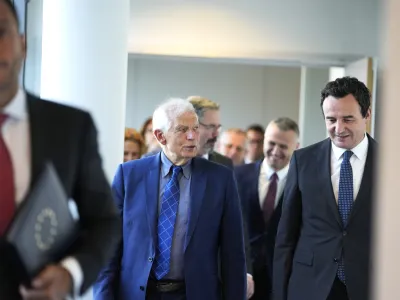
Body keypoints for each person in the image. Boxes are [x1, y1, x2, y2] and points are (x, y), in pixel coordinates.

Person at [0, 1, 121, 299]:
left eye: (0, 32)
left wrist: (71, 273)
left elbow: (104, 221)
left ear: (23, 44)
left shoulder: (69, 127)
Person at [94, 98, 246, 300]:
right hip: (137, 294)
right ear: (160, 135)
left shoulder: (220, 179)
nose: (192, 136)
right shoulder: (129, 175)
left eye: (195, 128)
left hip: (194, 294)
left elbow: (233, 254)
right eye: (182, 130)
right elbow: (109, 246)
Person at [273, 77, 377, 300]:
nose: (338, 129)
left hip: (369, 286)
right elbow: (286, 237)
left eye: (348, 119)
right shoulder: (303, 160)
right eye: (331, 119)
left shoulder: (391, 163)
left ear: (367, 114)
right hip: (310, 286)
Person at [188, 95, 254, 298]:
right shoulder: (171, 162)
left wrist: (246, 270)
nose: (217, 133)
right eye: (211, 127)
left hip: (212, 274)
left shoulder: (224, 165)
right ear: (193, 125)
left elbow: (237, 222)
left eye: (219, 127)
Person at [235, 118, 299, 300]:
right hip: (242, 276)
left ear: (297, 146)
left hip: (283, 280)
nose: (276, 151)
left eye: (284, 146)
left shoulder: (303, 184)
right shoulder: (237, 175)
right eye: (271, 143)